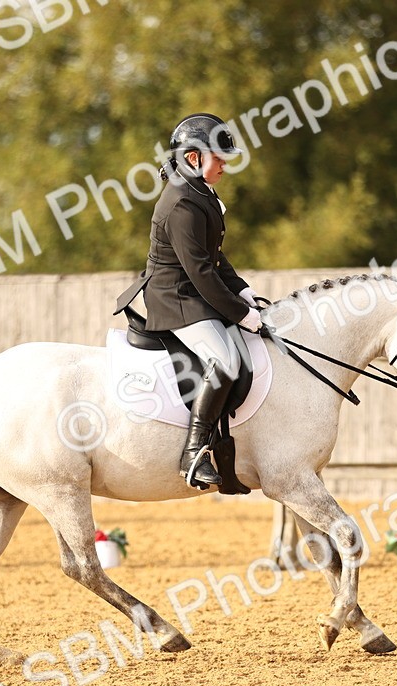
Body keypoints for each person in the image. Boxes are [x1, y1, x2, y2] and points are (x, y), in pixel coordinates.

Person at [114, 113, 264, 489]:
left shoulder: (199, 192)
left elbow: (214, 256)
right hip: (176, 298)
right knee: (226, 361)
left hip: (193, 291)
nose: (225, 164)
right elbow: (200, 271)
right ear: (194, 158)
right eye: (219, 157)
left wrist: (242, 290)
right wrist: (240, 313)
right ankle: (194, 452)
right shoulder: (182, 201)